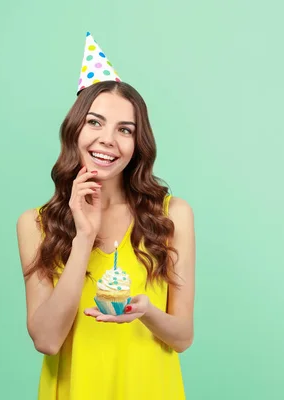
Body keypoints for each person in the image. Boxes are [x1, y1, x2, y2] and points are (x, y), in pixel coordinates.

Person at [16, 32, 195, 400]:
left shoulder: (172, 215)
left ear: (137, 143)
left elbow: (182, 337)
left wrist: (146, 312)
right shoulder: (35, 225)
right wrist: (84, 237)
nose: (108, 140)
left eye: (124, 130)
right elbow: (47, 341)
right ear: (75, 130)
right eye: (95, 123)